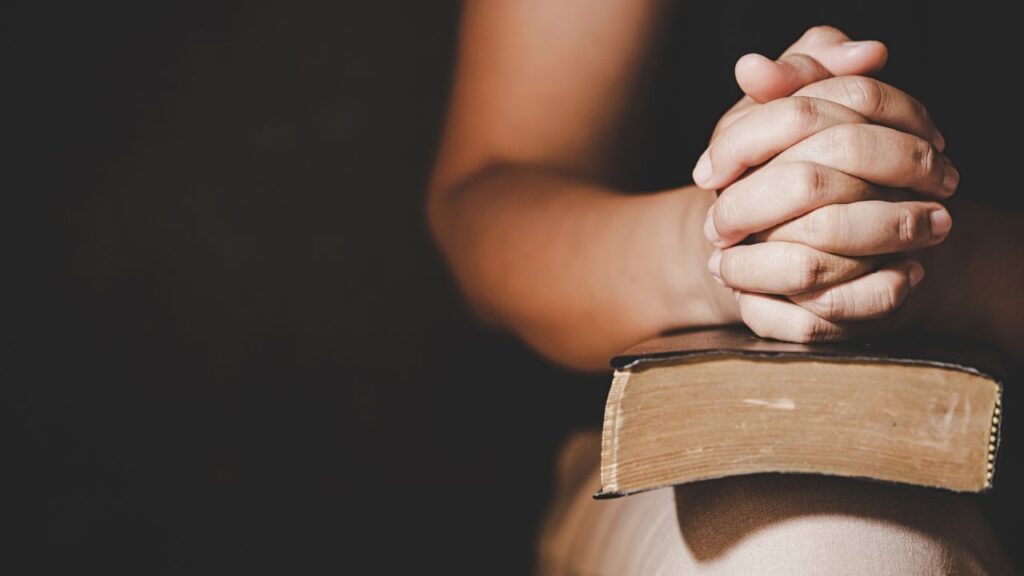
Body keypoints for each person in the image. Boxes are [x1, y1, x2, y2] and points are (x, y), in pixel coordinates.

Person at [427, 1, 1022, 573]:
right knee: (822, 553)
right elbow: (487, 205)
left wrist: (939, 255)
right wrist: (722, 238)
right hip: (654, 459)